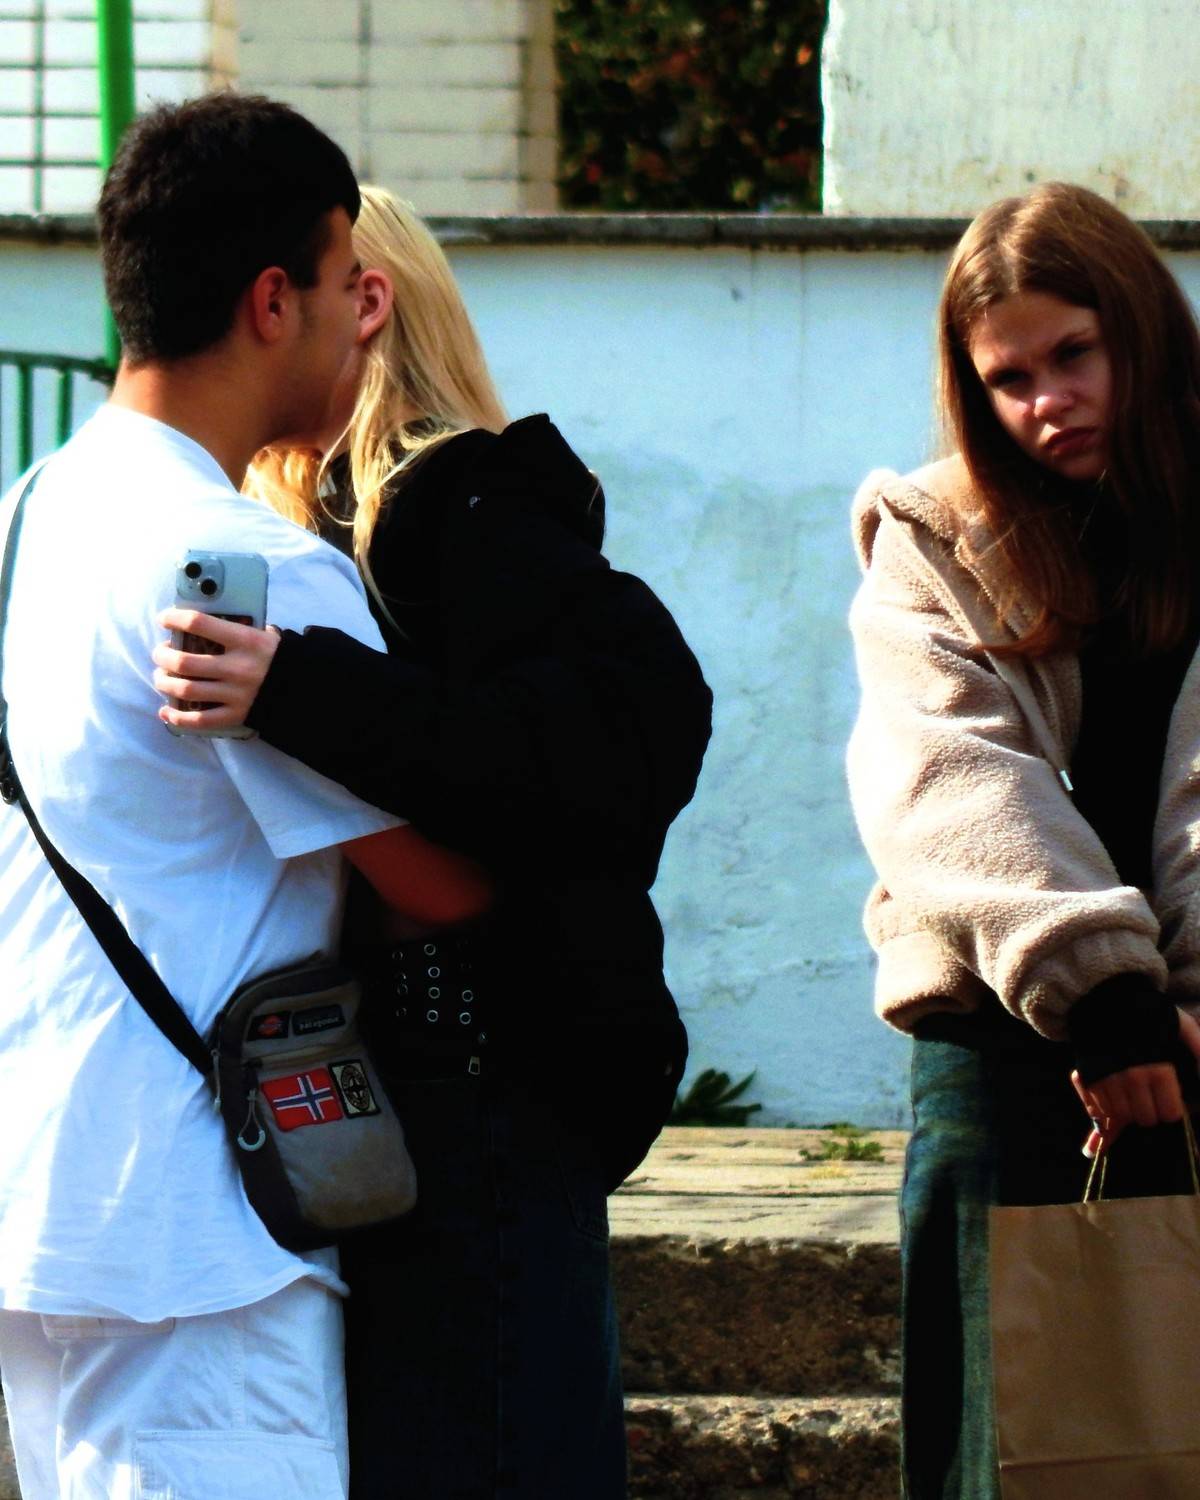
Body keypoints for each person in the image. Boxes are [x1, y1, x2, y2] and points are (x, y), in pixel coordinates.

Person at [150, 184, 713, 1498]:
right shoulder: (340, 516)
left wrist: (300, 694)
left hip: (476, 1080)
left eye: (278, 297)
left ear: (364, 304)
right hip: (409, 1088)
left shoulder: (457, 498)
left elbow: (630, 728)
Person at [0, 98, 489, 1500]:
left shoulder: (27, 517)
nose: (359, 330)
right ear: (275, 301)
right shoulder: (242, 563)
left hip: (43, 1188)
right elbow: (441, 884)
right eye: (343, 287)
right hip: (204, 1233)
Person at [846, 180, 1200, 1500]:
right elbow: (947, 782)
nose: (1049, 400)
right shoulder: (934, 539)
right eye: (1009, 378)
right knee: (1007, 1449)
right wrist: (1106, 997)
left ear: (1141, 332)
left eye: (1075, 354)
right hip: (1013, 1042)